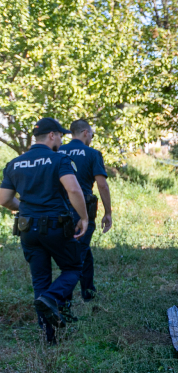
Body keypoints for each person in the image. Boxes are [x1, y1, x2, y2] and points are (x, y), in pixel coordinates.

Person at [0, 118, 89, 343]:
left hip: (28, 229)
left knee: (40, 280)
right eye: (60, 135)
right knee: (73, 267)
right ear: (51, 136)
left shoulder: (14, 163)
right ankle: (51, 298)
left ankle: (48, 338)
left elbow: (4, 199)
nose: (61, 139)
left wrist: (29, 210)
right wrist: (84, 217)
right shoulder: (59, 159)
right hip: (56, 226)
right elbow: (74, 190)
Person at [59, 119, 112, 304]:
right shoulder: (92, 153)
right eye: (91, 134)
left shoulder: (57, 151)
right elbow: (102, 185)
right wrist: (108, 212)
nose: (91, 138)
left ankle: (89, 293)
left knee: (84, 252)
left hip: (59, 211)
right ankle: (60, 299)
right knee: (77, 257)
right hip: (82, 212)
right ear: (85, 133)